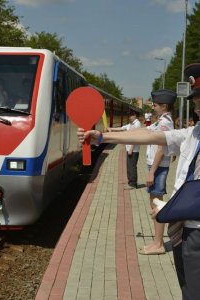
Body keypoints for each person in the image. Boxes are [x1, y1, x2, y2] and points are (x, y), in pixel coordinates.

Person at [76, 62, 200, 299]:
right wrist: (102, 136)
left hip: (198, 232)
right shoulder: (193, 133)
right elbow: (149, 134)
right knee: (188, 290)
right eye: (196, 103)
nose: (198, 109)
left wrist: (173, 207)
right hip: (184, 231)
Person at [140, 89, 176, 255]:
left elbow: (161, 148)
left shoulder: (165, 122)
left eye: (155, 104)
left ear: (164, 106)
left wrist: (151, 172)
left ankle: (159, 244)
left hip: (158, 167)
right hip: (157, 165)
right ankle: (157, 241)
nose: (153, 106)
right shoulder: (163, 120)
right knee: (155, 202)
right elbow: (147, 133)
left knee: (157, 204)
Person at [107, 111, 141, 189]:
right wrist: (111, 129)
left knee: (132, 166)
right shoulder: (131, 124)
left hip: (133, 150)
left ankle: (132, 184)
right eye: (128, 115)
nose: (129, 117)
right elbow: (122, 128)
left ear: (134, 115)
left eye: (130, 115)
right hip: (130, 149)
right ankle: (132, 181)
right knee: (129, 166)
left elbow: (136, 136)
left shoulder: (137, 124)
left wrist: (131, 149)